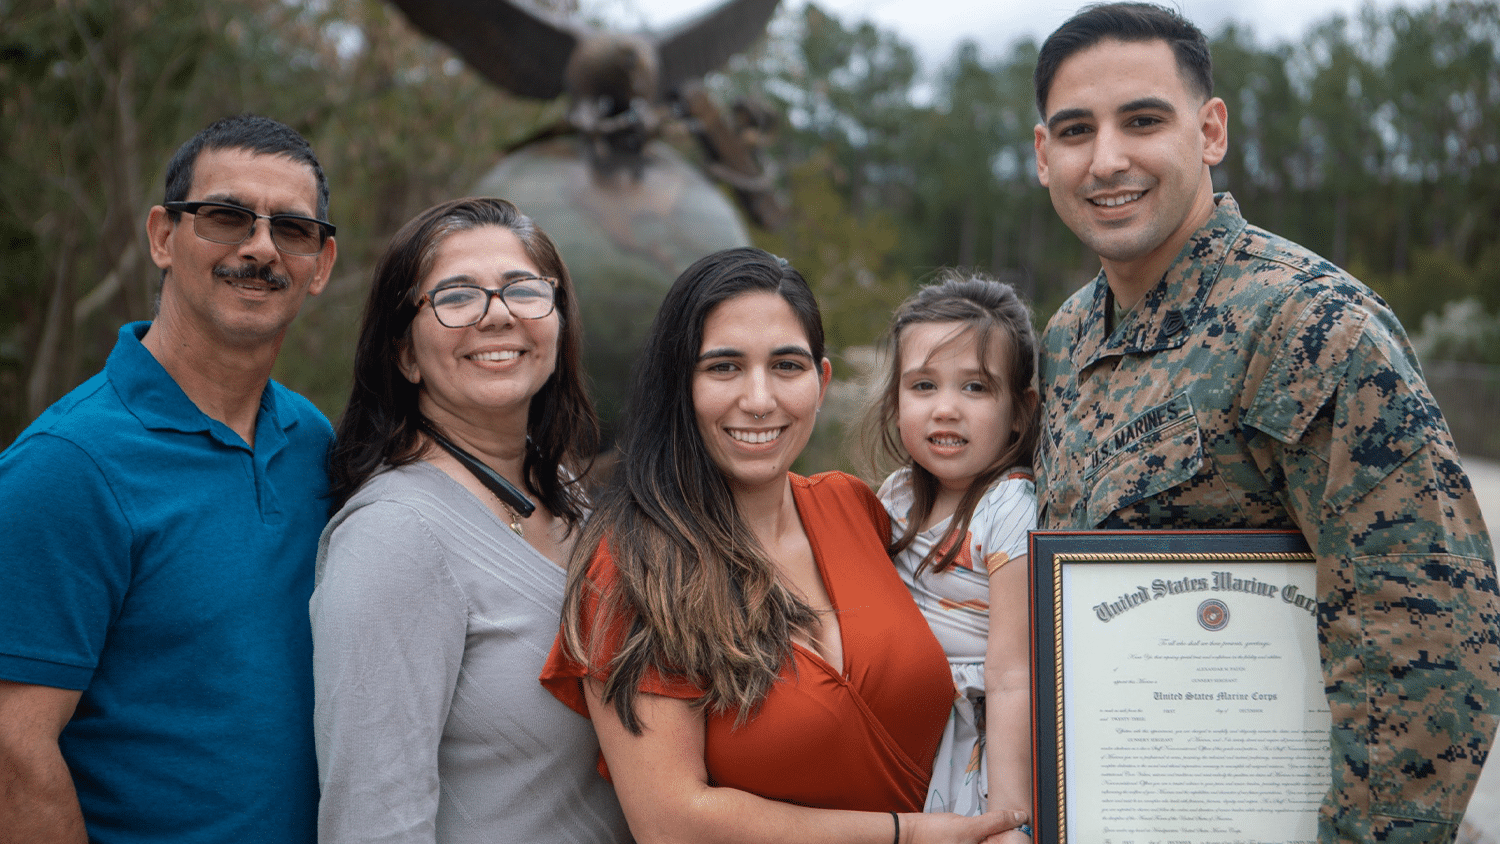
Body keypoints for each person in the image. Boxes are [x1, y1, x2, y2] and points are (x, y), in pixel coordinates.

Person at [1030, 4, 1499, 842]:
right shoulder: (1068, 336)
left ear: (1209, 132)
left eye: (1143, 120)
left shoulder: (1308, 325)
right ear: (1043, 156)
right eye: (1075, 130)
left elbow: (1426, 633)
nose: (1106, 160)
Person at [541, 247, 1030, 844]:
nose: (759, 399)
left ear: (821, 382)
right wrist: (906, 834)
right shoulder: (635, 568)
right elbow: (670, 824)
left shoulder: (857, 510)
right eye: (723, 367)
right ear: (679, 385)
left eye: (786, 366)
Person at [0, 114, 338, 844]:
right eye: (225, 217)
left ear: (322, 264)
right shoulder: (66, 466)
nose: (260, 247)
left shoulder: (313, 441)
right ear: (162, 236)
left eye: (292, 229)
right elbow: (13, 754)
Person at [311, 196, 629, 844]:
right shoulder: (394, 538)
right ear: (404, 352)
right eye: (457, 296)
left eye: (523, 290)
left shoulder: (565, 491)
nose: (498, 316)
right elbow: (373, 824)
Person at [859, 272, 1038, 834]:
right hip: (898, 727)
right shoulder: (896, 497)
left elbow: (1012, 674)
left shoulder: (1009, 506)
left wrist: (1005, 816)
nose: (946, 409)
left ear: (1019, 410)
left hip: (976, 740)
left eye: (976, 387)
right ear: (895, 401)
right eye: (923, 386)